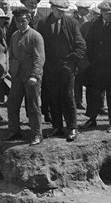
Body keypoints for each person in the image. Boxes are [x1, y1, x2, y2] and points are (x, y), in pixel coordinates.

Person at [39, 0, 86, 142]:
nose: (61, 12)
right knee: (53, 97)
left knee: (67, 96)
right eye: (58, 9)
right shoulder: (42, 23)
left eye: (63, 10)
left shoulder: (71, 23)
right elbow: (40, 46)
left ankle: (72, 127)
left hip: (67, 68)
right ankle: (57, 126)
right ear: (52, 8)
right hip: (50, 68)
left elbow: (81, 45)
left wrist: (72, 62)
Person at [80, 0, 111, 133]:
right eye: (105, 13)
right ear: (101, 12)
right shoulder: (95, 24)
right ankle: (92, 119)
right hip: (97, 66)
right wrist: (92, 60)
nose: (108, 15)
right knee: (94, 93)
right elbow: (89, 42)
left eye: (110, 13)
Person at [4, 7, 45, 145]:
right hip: (17, 76)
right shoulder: (14, 36)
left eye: (23, 21)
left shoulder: (35, 36)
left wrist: (34, 75)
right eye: (17, 21)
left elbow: (39, 58)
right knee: (12, 103)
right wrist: (12, 72)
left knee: (33, 106)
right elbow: (12, 56)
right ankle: (14, 131)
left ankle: (36, 134)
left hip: (31, 77)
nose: (20, 23)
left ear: (28, 20)